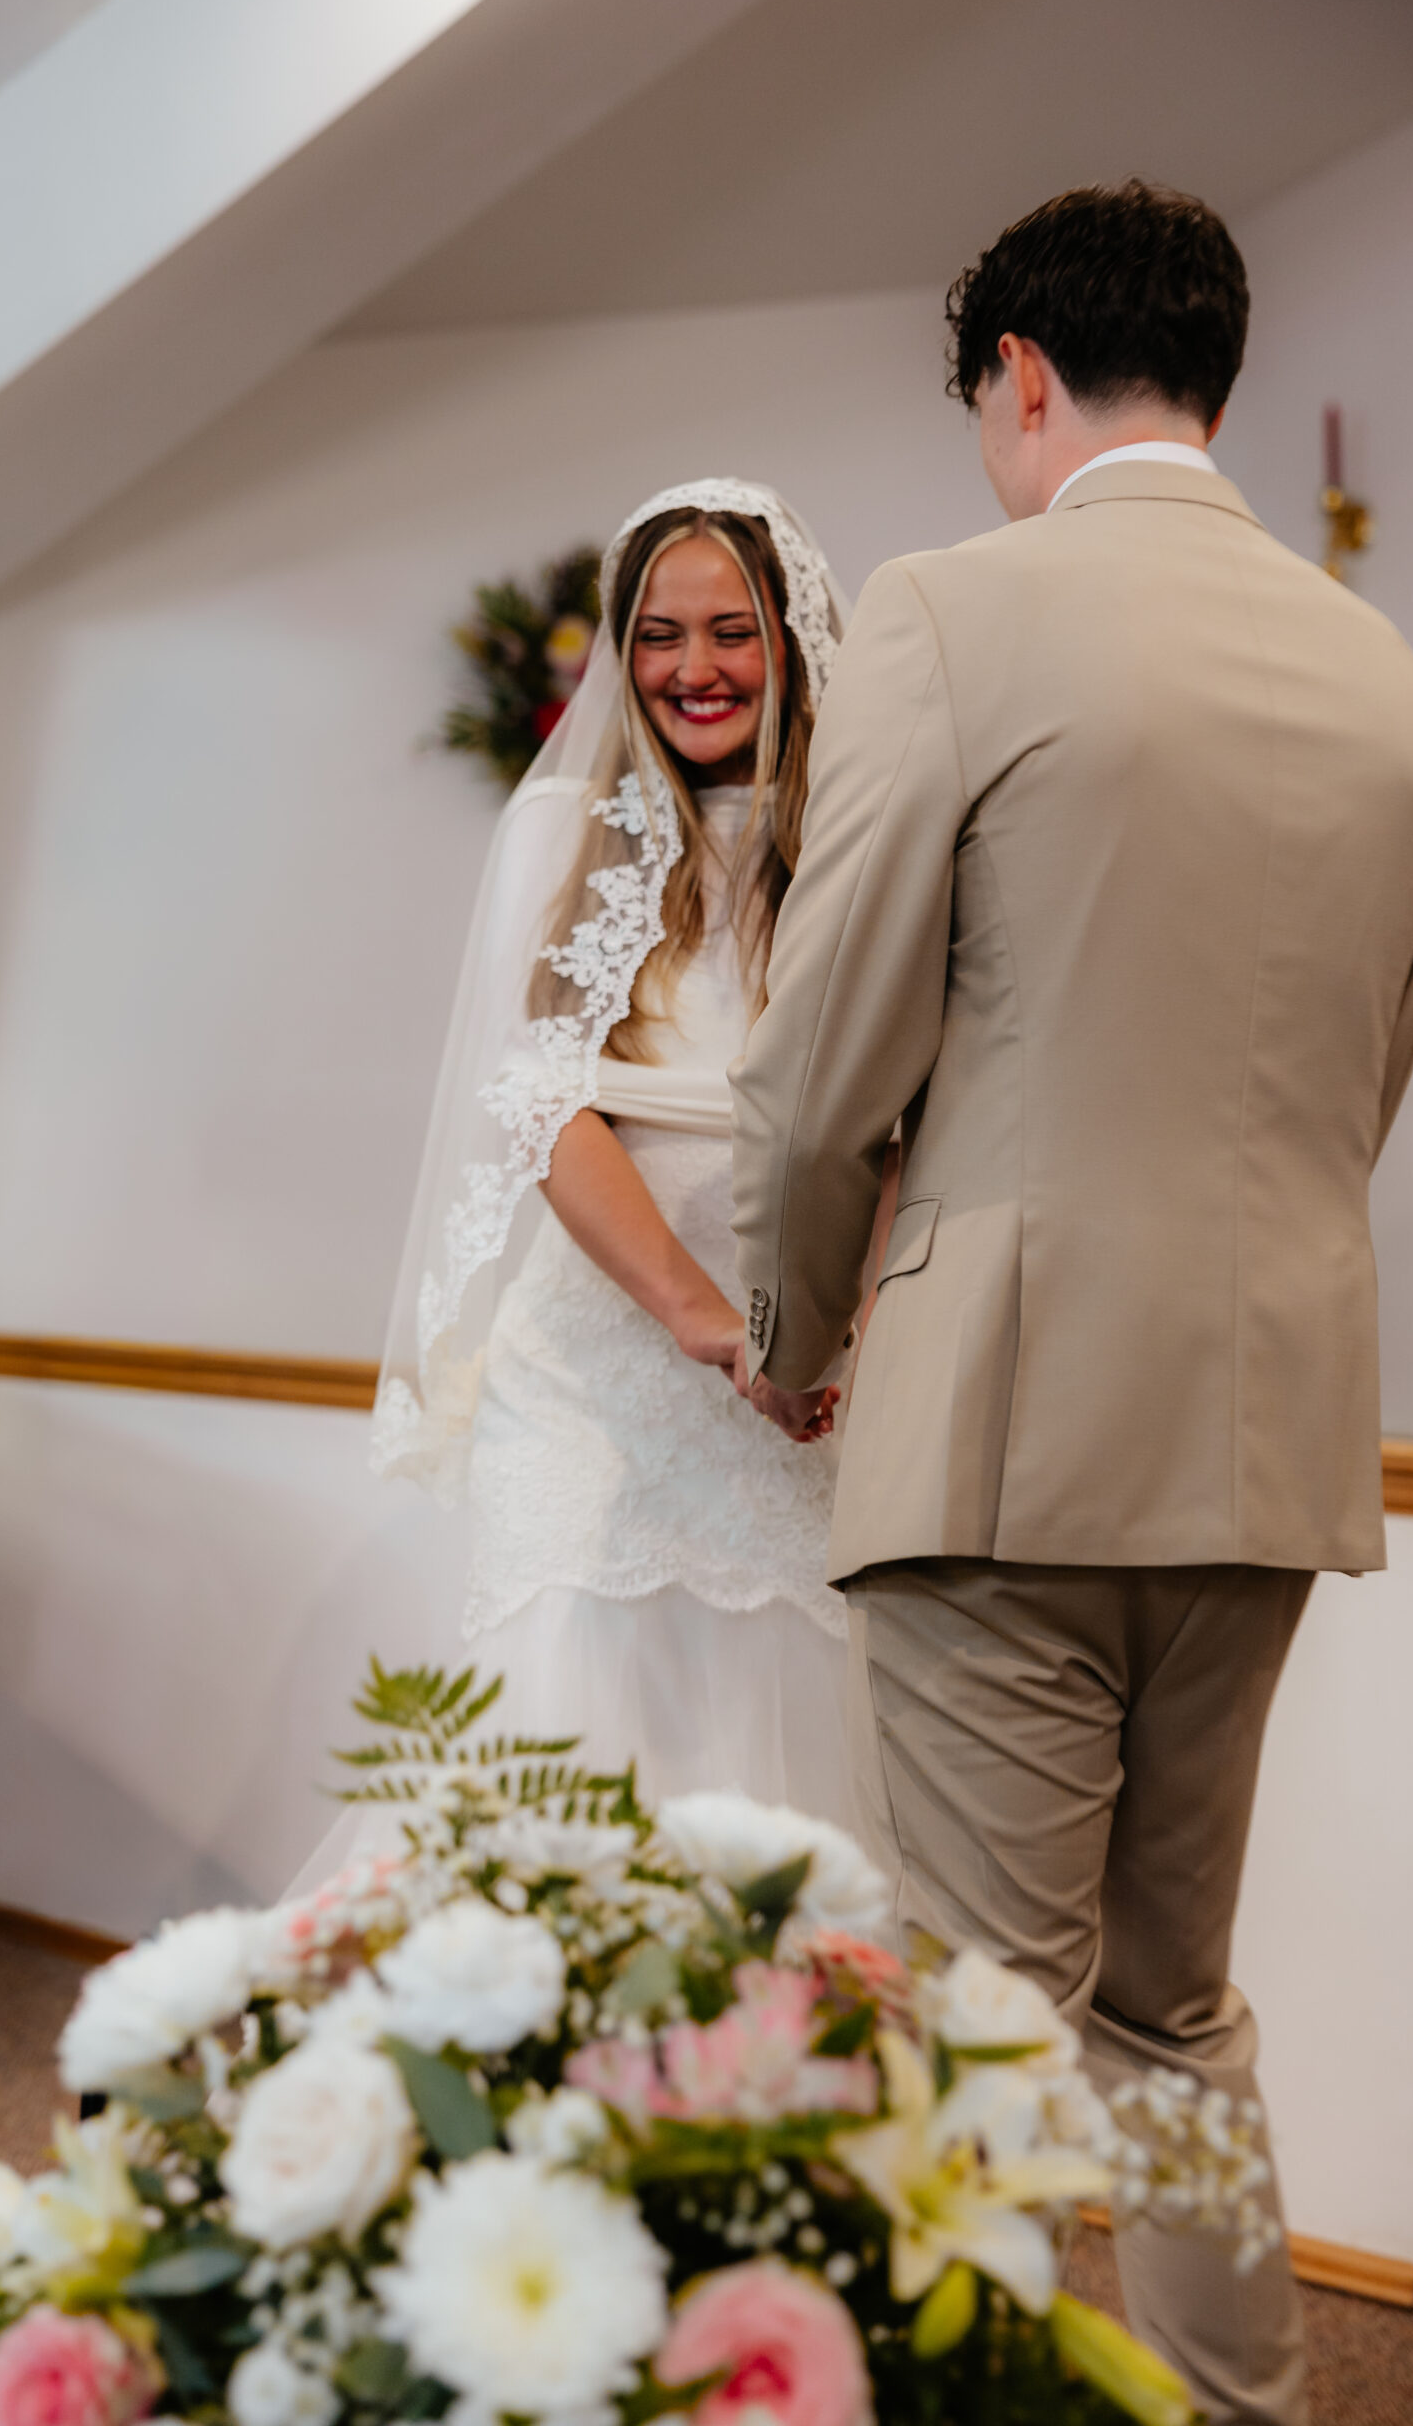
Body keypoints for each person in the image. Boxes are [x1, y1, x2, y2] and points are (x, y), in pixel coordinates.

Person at [728, 184, 1413, 2425]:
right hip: (1260, 1432)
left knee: (971, 2020)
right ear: (1213, 383)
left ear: (1020, 379)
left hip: (997, 1425)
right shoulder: (1386, 672)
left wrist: (794, 1335)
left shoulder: (958, 613)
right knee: (1169, 2008)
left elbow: (814, 1072)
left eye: (981, 407)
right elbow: (1365, 1073)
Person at [371, 479, 865, 1823]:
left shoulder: (861, 844)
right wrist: (709, 1325)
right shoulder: (556, 837)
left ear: (794, 640)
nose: (692, 669)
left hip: (810, 1363)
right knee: (568, 1738)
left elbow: (898, 1111)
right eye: (656, 633)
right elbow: (539, 1102)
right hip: (594, 1369)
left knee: (777, 1759)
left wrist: (819, 1322)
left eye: (730, 630)